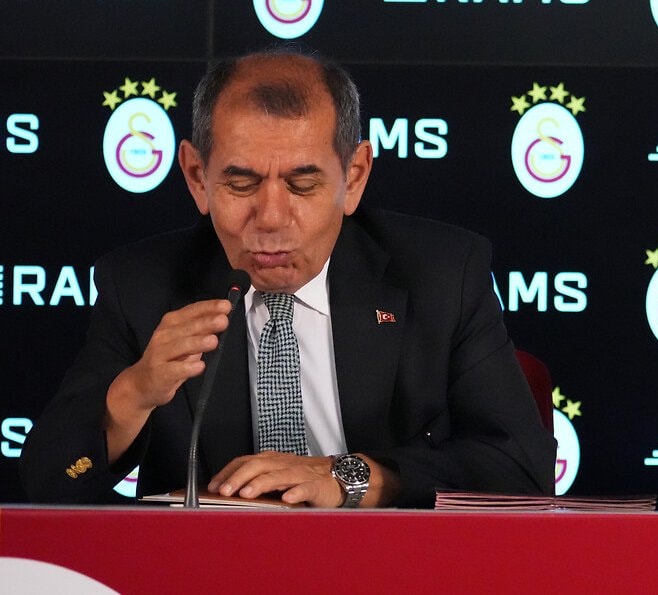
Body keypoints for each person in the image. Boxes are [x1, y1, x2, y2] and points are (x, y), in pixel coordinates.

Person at [20, 50, 554, 507]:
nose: (271, 218)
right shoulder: (143, 285)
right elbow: (45, 482)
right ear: (197, 177)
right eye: (241, 183)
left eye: (302, 184)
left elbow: (520, 469)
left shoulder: (440, 273)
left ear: (354, 177)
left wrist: (347, 477)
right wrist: (133, 394)